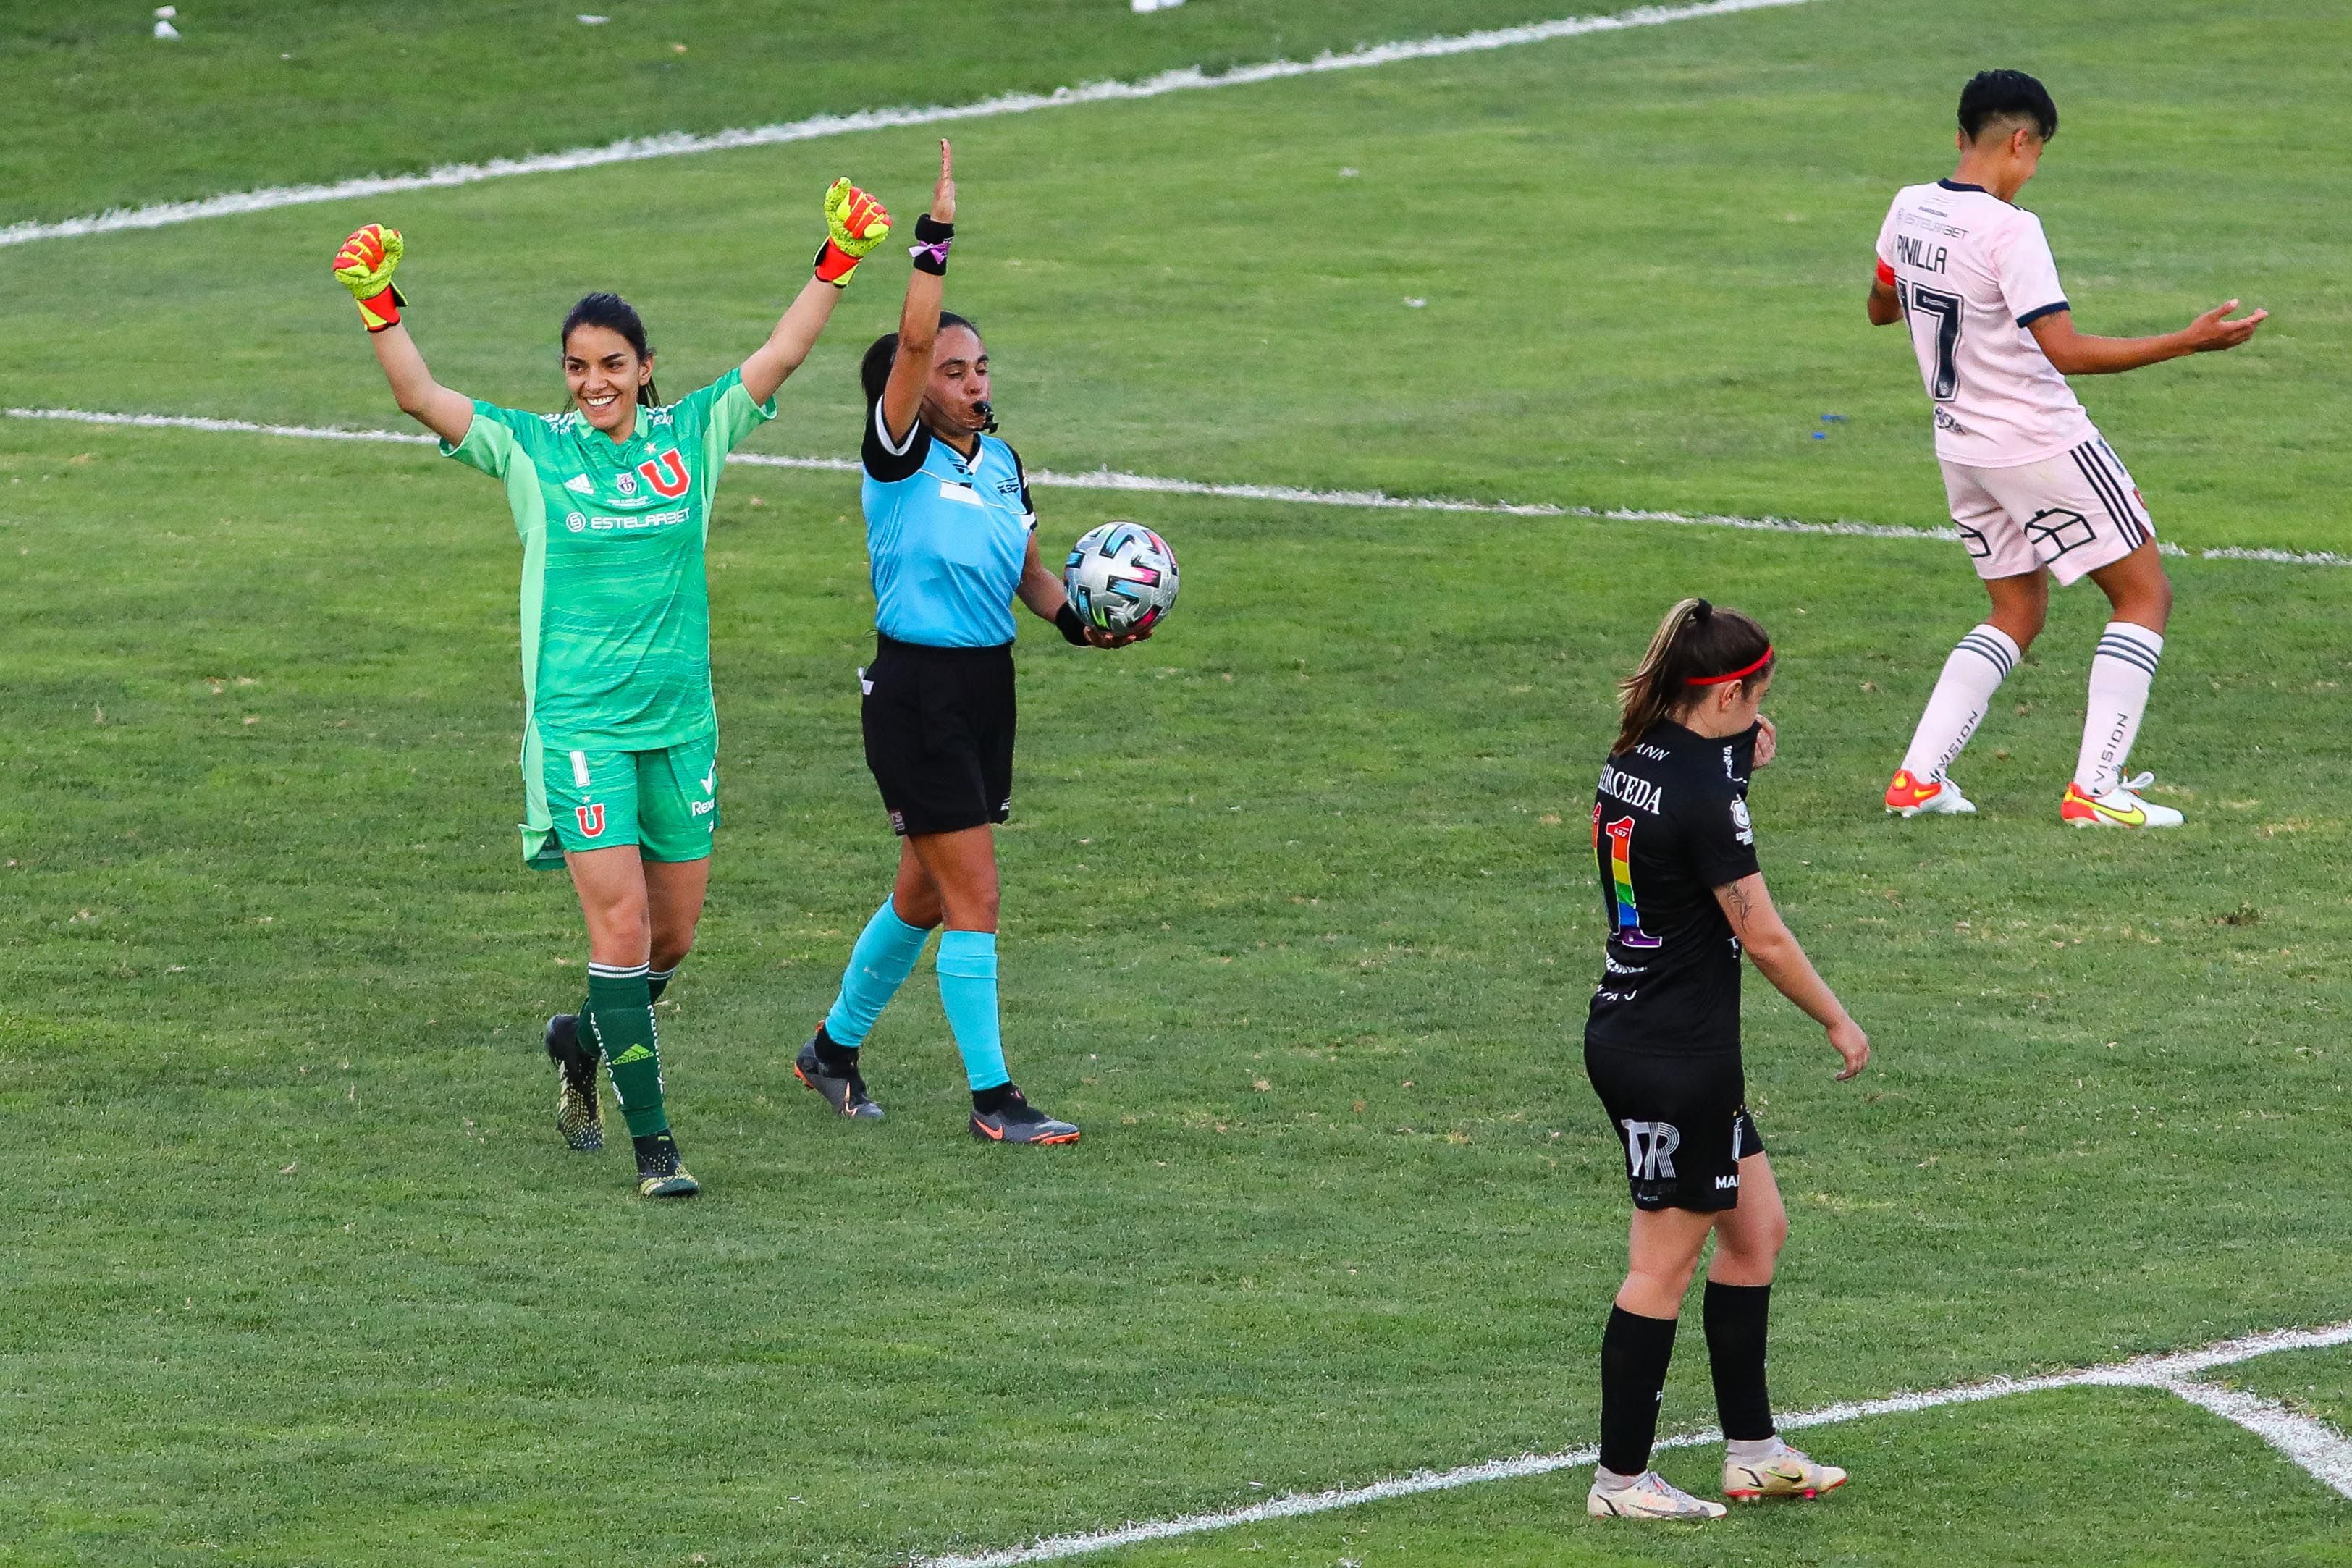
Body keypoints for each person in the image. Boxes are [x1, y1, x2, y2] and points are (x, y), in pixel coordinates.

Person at [329, 178, 894, 1197]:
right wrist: (381, 301)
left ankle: (577, 1038)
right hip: (582, 726)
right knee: (622, 933)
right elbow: (422, 396)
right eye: (578, 367)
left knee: (671, 936)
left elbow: (783, 353)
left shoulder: (694, 439)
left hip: (680, 728)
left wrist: (837, 258)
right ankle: (656, 1147)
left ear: (645, 369)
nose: (595, 382)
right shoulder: (532, 451)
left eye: (613, 365)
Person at [791, 141, 1142, 1144]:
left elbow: (1028, 574)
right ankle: (995, 1099)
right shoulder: (895, 457)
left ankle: (831, 1051)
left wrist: (1081, 622)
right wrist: (931, 240)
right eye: (953, 368)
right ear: (916, 387)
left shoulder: (1002, 462)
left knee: (925, 889)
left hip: (988, 687)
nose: (972, 379)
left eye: (980, 364)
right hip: (916, 694)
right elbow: (906, 348)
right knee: (975, 890)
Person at [1871, 69, 2265, 829]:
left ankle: (1918, 778)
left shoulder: (1908, 207)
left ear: (1962, 135)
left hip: (1962, 445)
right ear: (2020, 141)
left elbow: (1882, 306)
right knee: (2143, 593)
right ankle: (2097, 790)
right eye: (2037, 154)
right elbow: (2067, 351)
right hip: (2038, 440)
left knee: (2016, 606)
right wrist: (2187, 342)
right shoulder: (2011, 230)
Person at [1580, 599, 1868, 1522]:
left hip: (1639, 1033)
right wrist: (1838, 1020)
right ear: (1729, 692)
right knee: (1659, 1267)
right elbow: (1767, 937)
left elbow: (1702, 777)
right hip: (1677, 1056)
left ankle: (1752, 1453)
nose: (1762, 713)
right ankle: (1621, 1482)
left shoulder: (1637, 754)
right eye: (1759, 698)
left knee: (1757, 1231)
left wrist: (1739, 750)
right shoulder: (1708, 796)